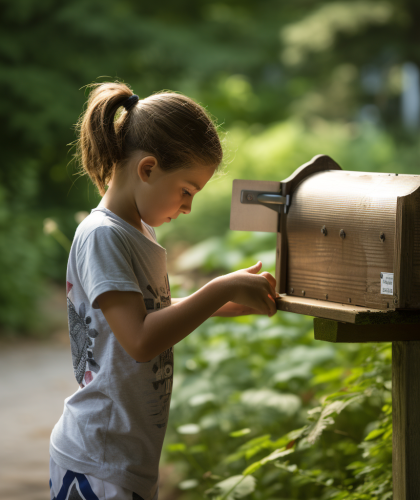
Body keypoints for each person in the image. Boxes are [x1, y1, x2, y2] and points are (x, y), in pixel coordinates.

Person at [49, 82, 278, 500]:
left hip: (126, 458)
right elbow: (139, 340)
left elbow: (152, 312)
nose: (187, 207)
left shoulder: (140, 231)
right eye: (187, 190)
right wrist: (219, 287)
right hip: (97, 459)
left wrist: (230, 301)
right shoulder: (102, 236)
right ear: (148, 169)